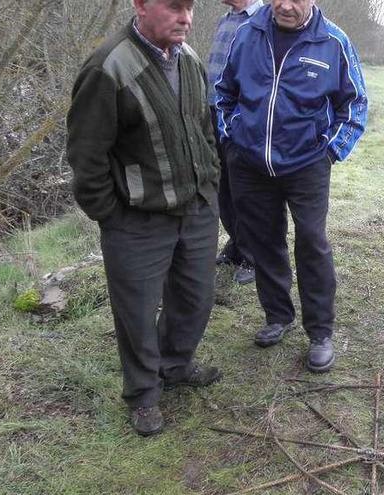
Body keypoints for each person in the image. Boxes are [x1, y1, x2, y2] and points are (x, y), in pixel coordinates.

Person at [67, 0, 222, 436]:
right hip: (136, 219)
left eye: (190, 8)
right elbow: (86, 155)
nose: (185, 18)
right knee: (135, 312)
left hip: (195, 209)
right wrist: (110, 215)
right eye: (174, 7)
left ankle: (175, 364)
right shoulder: (108, 67)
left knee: (196, 298)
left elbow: (204, 127)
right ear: (140, 5)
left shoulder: (190, 59)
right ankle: (143, 395)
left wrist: (210, 185)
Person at [215, 0, 367, 373]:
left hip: (307, 164)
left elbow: (356, 105)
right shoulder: (246, 34)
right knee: (263, 241)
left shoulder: (333, 42)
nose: (285, 5)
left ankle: (320, 332)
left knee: (312, 241)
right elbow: (223, 92)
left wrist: (330, 152)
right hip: (249, 162)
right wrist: (230, 136)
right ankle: (277, 315)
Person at [207, 0, 262, 285]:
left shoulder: (263, 20)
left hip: (239, 119)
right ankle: (237, 245)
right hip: (212, 114)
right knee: (223, 189)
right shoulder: (226, 19)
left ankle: (255, 258)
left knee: (246, 192)